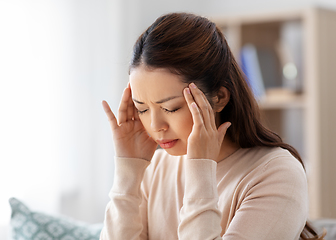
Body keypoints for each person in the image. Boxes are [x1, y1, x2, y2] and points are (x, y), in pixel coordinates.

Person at [100, 12, 325, 240]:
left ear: (219, 98)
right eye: (142, 109)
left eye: (171, 108)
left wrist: (200, 169)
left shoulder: (276, 173)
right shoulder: (155, 168)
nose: (155, 126)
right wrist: (128, 172)